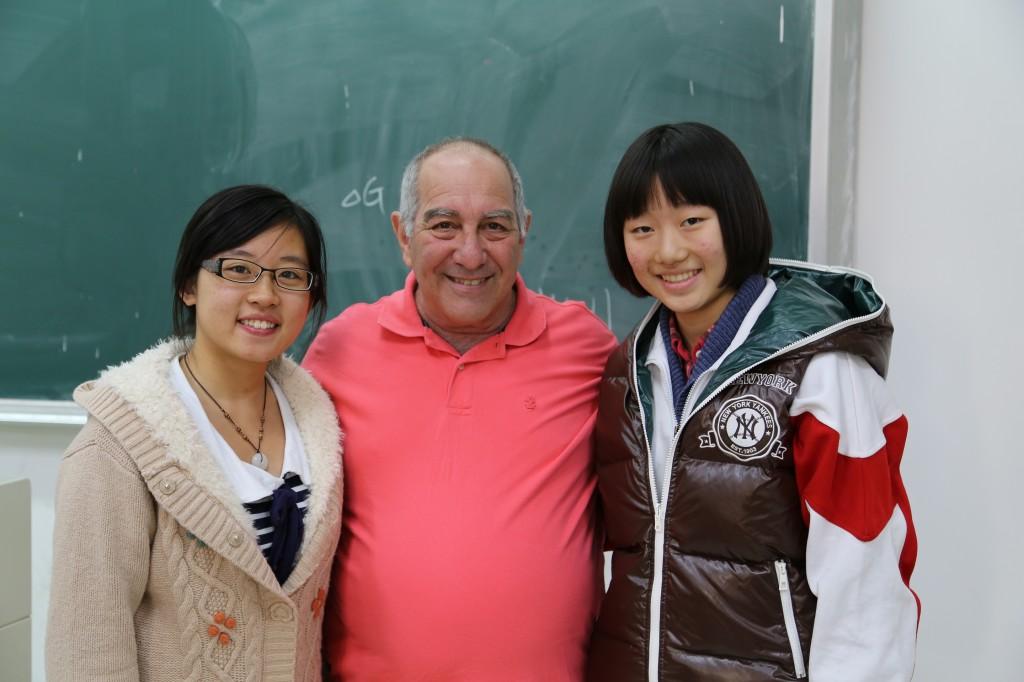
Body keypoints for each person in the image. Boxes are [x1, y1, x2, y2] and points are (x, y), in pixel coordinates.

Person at [587, 123, 919, 681]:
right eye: (642, 228)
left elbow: (864, 581)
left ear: (736, 217)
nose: (668, 251)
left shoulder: (819, 368)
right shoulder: (627, 374)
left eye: (692, 221)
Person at [302, 138, 617, 680]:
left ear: (524, 233)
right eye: (444, 225)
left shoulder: (588, 349)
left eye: (494, 226)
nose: (470, 253)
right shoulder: (340, 350)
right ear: (404, 235)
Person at [46, 185, 343, 681]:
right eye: (238, 269)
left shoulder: (320, 425)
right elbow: (86, 653)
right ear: (189, 285)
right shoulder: (118, 443)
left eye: (290, 275)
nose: (265, 295)